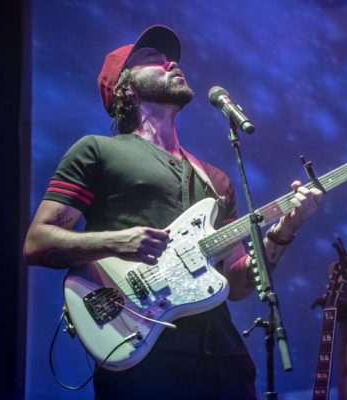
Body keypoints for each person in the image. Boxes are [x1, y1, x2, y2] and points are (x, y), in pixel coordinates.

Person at [23, 25, 325, 400]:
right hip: (140, 350)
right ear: (125, 87)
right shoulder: (96, 150)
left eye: (171, 59)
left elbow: (236, 285)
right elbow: (37, 242)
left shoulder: (215, 179)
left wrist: (285, 230)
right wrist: (119, 241)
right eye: (153, 59)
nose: (171, 63)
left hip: (222, 357)